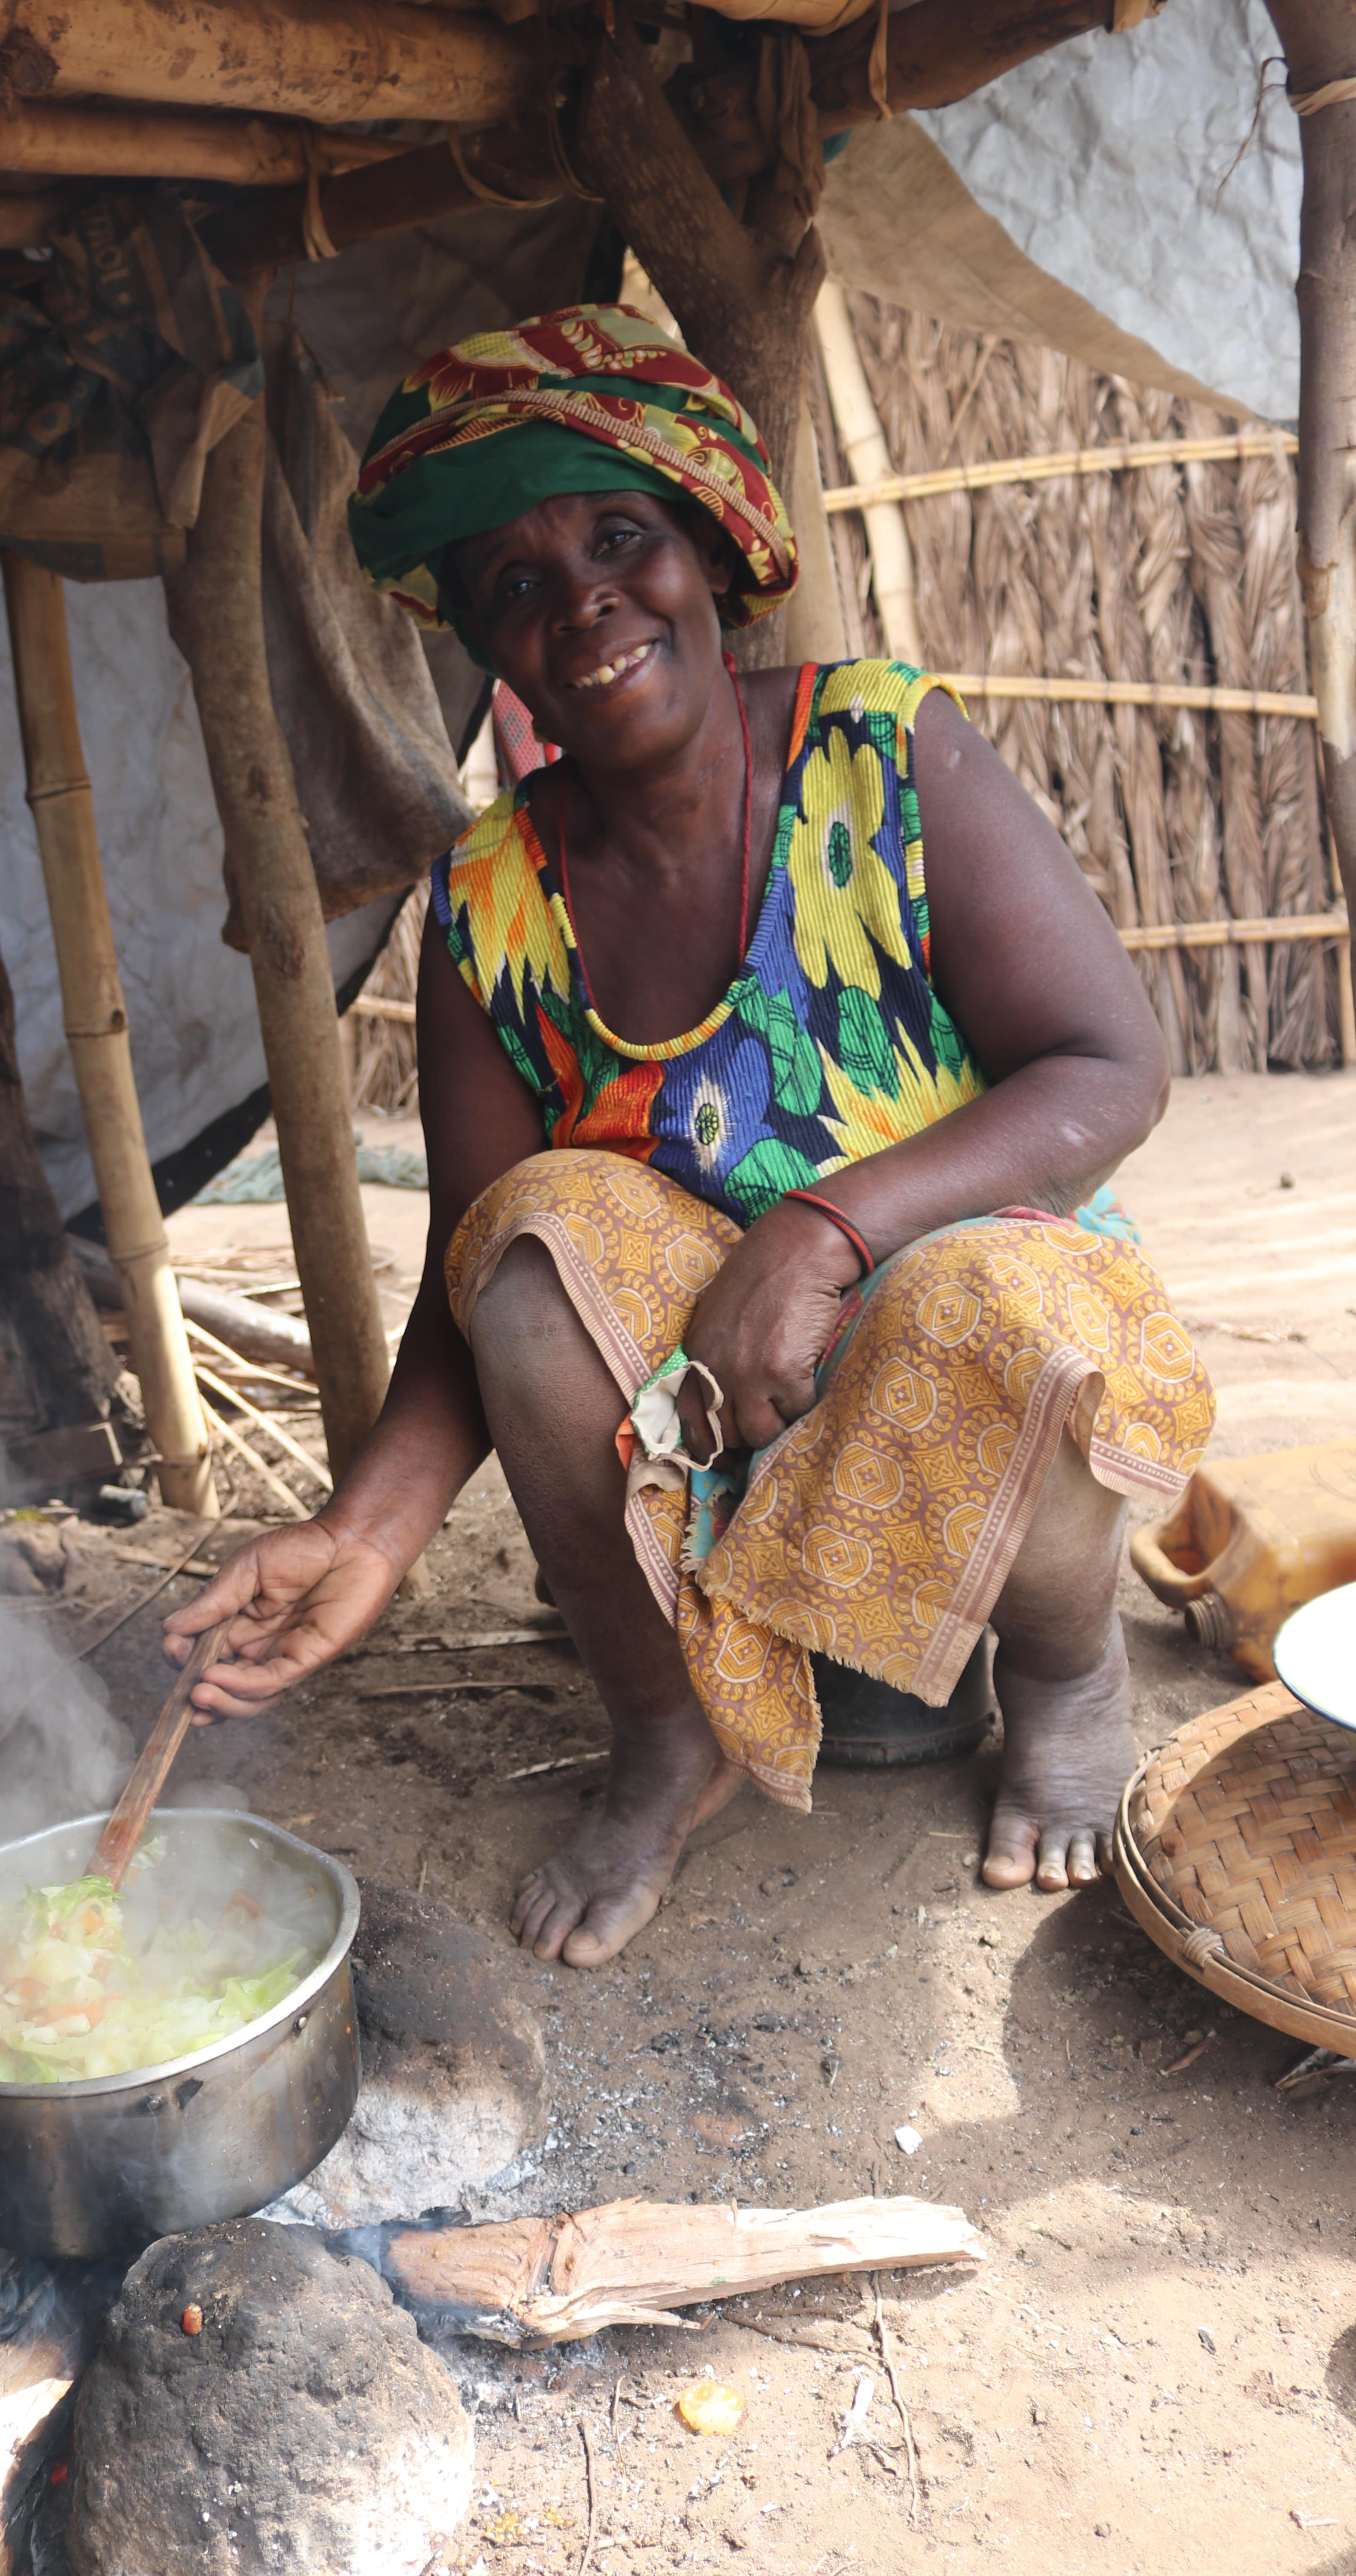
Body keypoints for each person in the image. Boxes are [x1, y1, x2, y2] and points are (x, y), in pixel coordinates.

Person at [163, 304, 1214, 1969]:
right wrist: (361, 1534)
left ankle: (1066, 1665)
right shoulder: (490, 899)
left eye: (617, 536)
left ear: (712, 552)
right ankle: (670, 1730)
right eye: (516, 581)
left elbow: (1106, 1072)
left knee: (992, 1306)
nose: (578, 596)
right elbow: (471, 1287)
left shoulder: (881, 751)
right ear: (490, 648)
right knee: (520, 1238)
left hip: (963, 1339)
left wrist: (820, 1232)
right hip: (714, 1421)